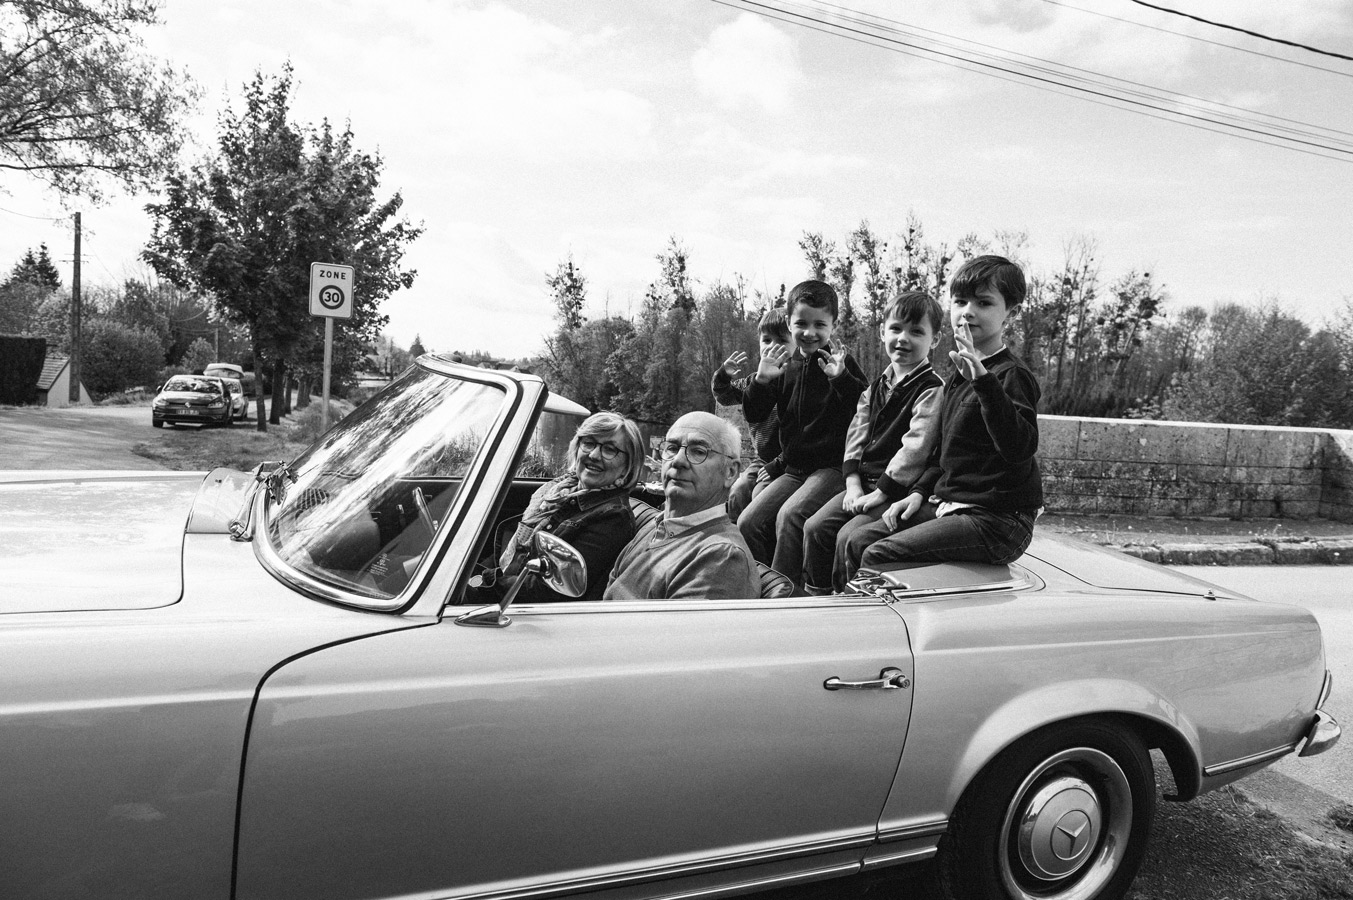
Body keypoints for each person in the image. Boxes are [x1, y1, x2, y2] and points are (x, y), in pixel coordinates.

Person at [841, 255, 1043, 582]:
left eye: (984, 302)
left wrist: (983, 382)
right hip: (950, 504)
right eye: (960, 301)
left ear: (1012, 312)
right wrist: (917, 494)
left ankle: (879, 626)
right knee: (859, 538)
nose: (968, 311)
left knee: (878, 553)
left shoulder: (1010, 376)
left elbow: (1019, 447)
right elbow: (940, 453)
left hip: (999, 521)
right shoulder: (957, 376)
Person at [801, 291, 944, 593]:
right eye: (895, 329)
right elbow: (857, 430)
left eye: (916, 332)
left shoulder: (931, 388)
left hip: (896, 489)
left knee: (848, 536)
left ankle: (850, 604)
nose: (903, 339)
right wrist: (852, 482)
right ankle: (815, 594)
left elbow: (916, 446)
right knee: (815, 528)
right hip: (863, 484)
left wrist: (882, 492)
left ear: (936, 339)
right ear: (882, 332)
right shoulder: (879, 384)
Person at [737, 279, 867, 587]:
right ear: (789, 323)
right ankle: (758, 583)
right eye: (801, 323)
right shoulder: (785, 365)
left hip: (832, 468)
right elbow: (754, 414)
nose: (810, 333)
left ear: (833, 325)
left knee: (791, 516)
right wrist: (762, 381)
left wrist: (841, 379)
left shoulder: (840, 362)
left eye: (820, 324)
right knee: (749, 522)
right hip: (795, 469)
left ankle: (787, 593)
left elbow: (865, 409)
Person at [603, 411, 759, 601]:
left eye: (699, 451)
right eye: (672, 448)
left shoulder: (721, 558)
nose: (678, 460)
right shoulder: (656, 526)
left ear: (730, 472)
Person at [498, 411, 646, 602]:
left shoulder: (613, 518)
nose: (594, 455)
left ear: (628, 465)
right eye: (589, 443)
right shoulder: (560, 491)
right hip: (509, 587)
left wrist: (483, 584)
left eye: (610, 449)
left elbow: (547, 590)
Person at [711, 307, 793, 519]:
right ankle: (736, 539)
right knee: (737, 491)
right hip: (762, 459)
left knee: (759, 495)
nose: (772, 347)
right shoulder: (753, 381)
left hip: (789, 461)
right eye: (766, 340)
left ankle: (759, 544)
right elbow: (724, 396)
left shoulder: (797, 382)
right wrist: (723, 375)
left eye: (782, 341)